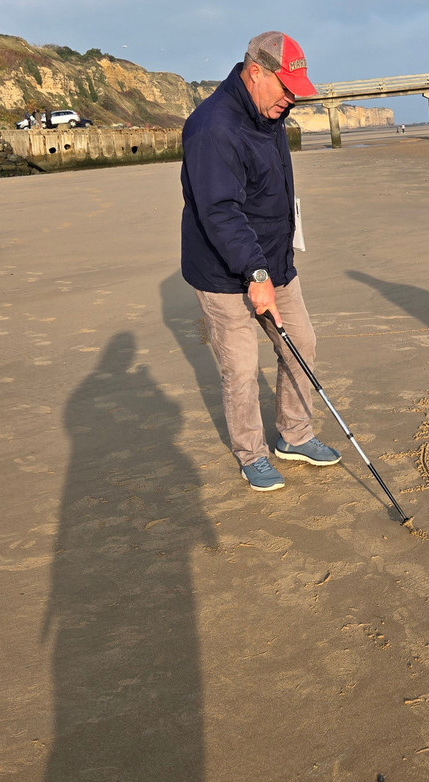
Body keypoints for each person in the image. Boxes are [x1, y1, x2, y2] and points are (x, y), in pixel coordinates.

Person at [180, 31, 340, 492]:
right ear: (256, 72)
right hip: (222, 271)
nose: (291, 99)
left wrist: (275, 264)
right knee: (242, 369)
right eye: (286, 88)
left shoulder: (271, 113)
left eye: (296, 91)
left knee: (300, 343)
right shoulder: (213, 127)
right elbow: (220, 212)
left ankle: (295, 435)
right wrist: (255, 274)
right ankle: (252, 454)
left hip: (273, 260)